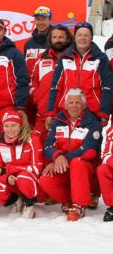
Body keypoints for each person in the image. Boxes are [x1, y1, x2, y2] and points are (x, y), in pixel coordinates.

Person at [39, 88, 102, 221]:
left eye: (78, 102)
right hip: (64, 167)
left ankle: (79, 204)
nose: (74, 105)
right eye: (71, 102)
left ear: (84, 105)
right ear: (66, 105)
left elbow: (88, 149)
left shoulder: (93, 123)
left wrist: (62, 158)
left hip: (85, 172)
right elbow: (47, 147)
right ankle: (69, 202)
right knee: (45, 179)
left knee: (78, 162)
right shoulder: (57, 121)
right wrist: (56, 156)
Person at [46, 21, 112, 129]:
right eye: (79, 35)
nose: (83, 38)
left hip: (92, 113)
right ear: (75, 37)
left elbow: (107, 87)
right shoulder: (65, 57)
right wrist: (50, 112)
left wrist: (104, 113)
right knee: (66, 145)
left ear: (91, 38)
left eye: (86, 35)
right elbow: (55, 86)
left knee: (90, 145)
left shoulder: (101, 58)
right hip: (66, 112)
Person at [0, 111, 44, 218]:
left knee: (23, 177)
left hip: (31, 184)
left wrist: (9, 170)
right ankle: (16, 201)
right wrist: (7, 177)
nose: (10, 129)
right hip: (11, 181)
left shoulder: (32, 139)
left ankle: (29, 205)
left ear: (20, 125)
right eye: (6, 126)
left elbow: (37, 168)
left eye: (13, 125)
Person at [30, 24, 74, 143]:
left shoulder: (74, 58)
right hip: (43, 113)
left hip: (67, 113)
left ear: (68, 39)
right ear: (50, 39)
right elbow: (32, 81)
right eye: (54, 37)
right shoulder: (42, 58)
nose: (58, 40)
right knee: (38, 145)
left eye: (61, 37)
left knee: (64, 147)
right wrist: (36, 97)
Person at [24, 6, 53, 77]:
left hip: (49, 85)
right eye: (37, 19)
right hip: (31, 86)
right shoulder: (28, 44)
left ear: (50, 20)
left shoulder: (55, 42)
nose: (40, 22)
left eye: (43, 19)